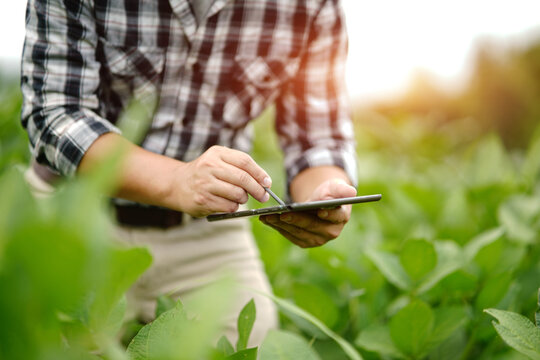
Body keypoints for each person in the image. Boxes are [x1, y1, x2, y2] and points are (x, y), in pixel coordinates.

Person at [21, 0, 358, 347]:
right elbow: (56, 115)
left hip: (206, 231)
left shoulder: (313, 6)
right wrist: (176, 181)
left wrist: (323, 196)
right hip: (74, 213)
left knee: (251, 343)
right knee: (40, 342)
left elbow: (317, 137)